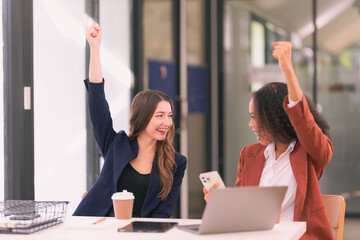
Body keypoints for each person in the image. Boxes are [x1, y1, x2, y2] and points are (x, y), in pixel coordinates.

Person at [203, 42, 333, 239]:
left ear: (275, 117)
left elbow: (304, 121)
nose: (250, 124)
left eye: (255, 117)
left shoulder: (310, 153)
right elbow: (243, 212)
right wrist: (220, 203)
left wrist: (288, 70)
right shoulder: (249, 154)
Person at [73, 24, 187, 218]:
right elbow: (97, 103)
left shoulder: (176, 163)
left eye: (169, 115)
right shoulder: (116, 145)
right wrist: (95, 49)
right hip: (97, 229)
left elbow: (163, 212)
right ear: (142, 118)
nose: (167, 123)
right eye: (159, 116)